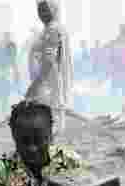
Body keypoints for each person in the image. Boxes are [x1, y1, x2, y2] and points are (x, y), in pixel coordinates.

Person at [27, 0, 75, 135]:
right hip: (52, 83)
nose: (41, 14)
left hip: (51, 81)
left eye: (45, 10)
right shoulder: (52, 28)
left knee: (52, 122)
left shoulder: (52, 30)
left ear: (53, 10)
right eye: (39, 10)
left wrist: (35, 84)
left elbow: (49, 60)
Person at [108, 24, 125, 100]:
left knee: (118, 90)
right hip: (122, 70)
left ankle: (117, 103)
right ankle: (120, 103)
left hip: (119, 70)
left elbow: (111, 56)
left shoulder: (116, 42)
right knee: (122, 90)